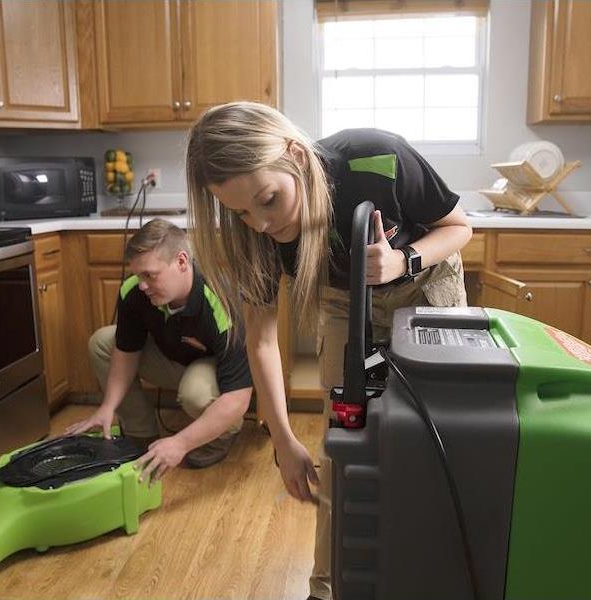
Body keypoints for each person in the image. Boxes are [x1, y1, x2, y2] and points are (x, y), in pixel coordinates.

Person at [185, 102, 473, 600]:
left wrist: (402, 260)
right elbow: (262, 340)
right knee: (345, 443)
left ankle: (434, 577)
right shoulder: (251, 233)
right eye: (240, 212)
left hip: (423, 287)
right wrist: (282, 441)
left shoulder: (375, 158)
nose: (259, 224)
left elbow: (459, 227)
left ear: (295, 155)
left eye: (268, 200)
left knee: (433, 437)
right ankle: (325, 588)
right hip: (343, 301)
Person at [66, 218, 253, 481]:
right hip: (173, 356)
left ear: (181, 261)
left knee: (196, 393)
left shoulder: (219, 304)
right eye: (138, 275)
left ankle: (222, 434)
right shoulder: (135, 292)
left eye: (150, 275)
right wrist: (107, 407)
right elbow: (126, 352)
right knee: (102, 342)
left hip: (215, 374)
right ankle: (140, 435)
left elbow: (238, 397)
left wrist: (181, 443)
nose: (142, 284)